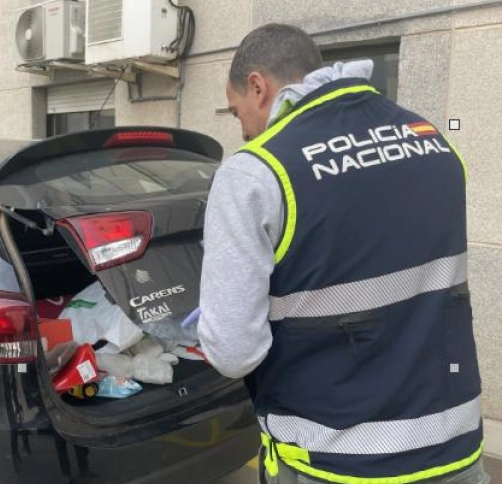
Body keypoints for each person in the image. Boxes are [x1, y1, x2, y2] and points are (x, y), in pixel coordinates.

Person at [196, 24, 487, 483]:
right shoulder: (431, 139)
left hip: (337, 459)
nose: (244, 129)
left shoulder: (257, 172)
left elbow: (234, 352)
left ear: (258, 86)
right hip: (453, 445)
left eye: (237, 114)